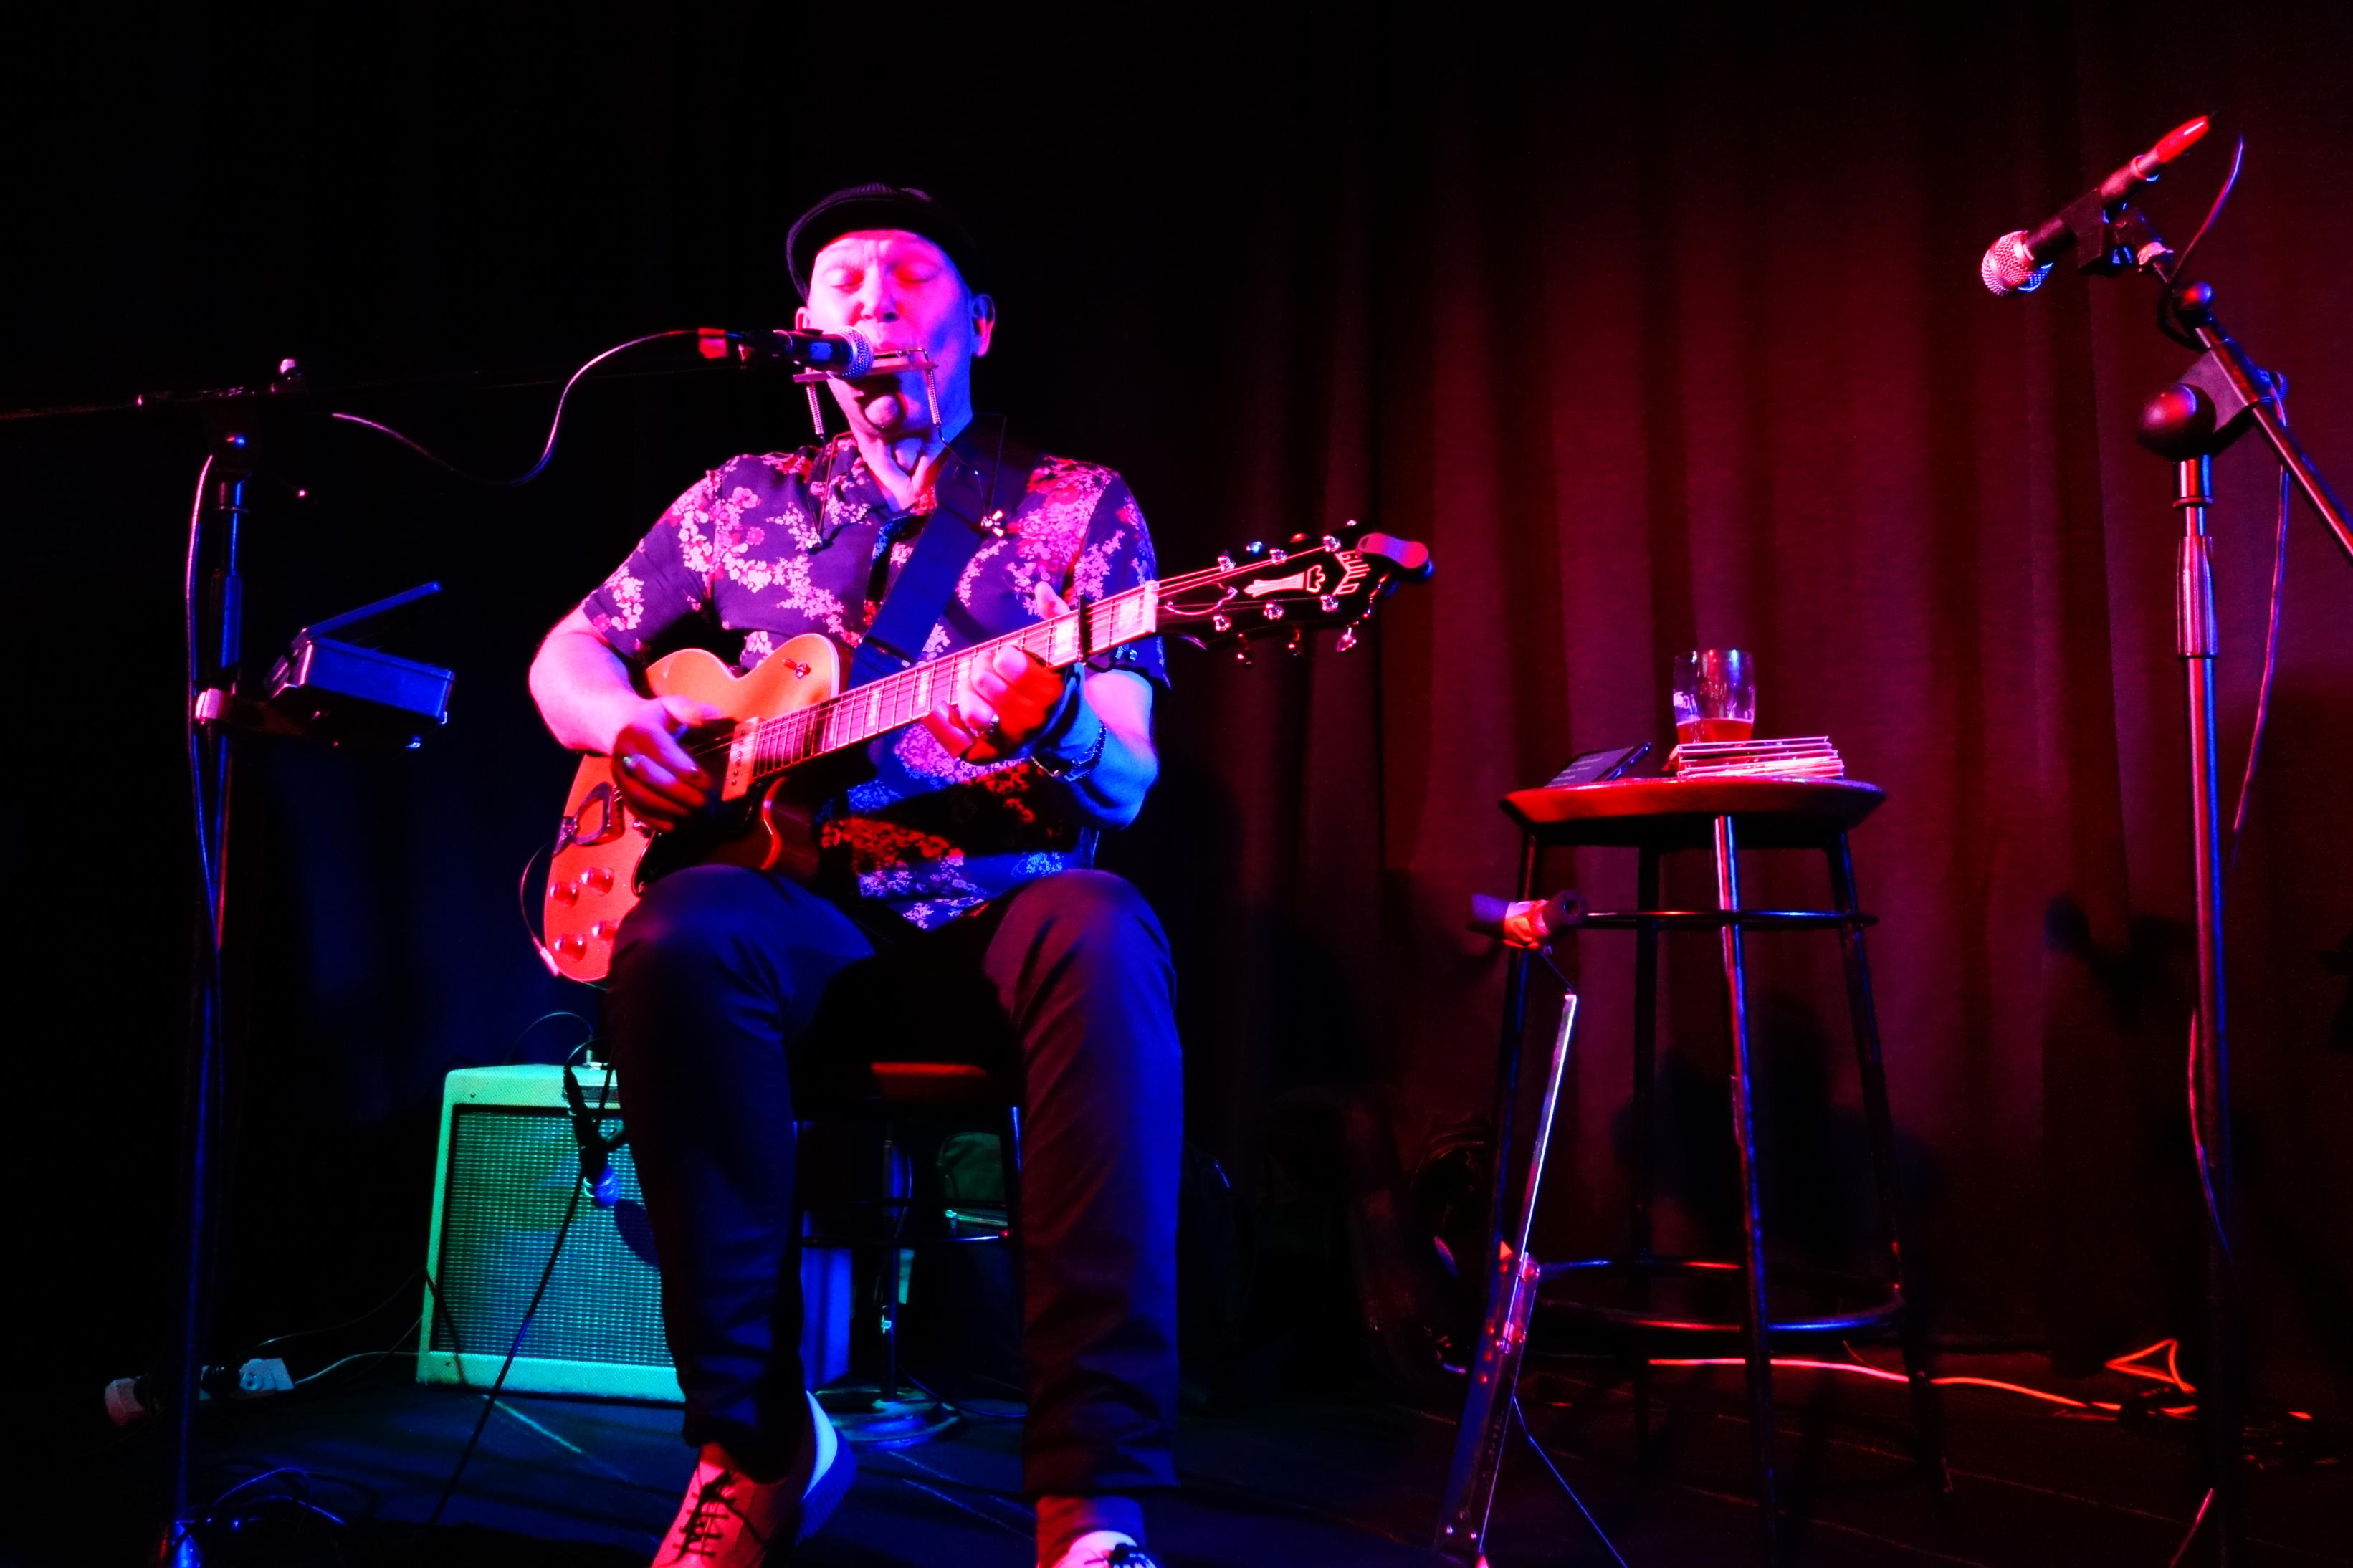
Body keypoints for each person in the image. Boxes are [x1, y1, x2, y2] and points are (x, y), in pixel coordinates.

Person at [528, 184, 1178, 1568]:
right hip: (799, 915)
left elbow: (1126, 778)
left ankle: (1092, 1498)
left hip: (998, 910)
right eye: (844, 281)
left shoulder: (1077, 507)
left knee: (1106, 927)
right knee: (678, 935)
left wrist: (1059, 720)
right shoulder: (741, 499)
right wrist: (623, 725)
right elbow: (564, 657)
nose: (874, 295)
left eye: (909, 275)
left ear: (980, 324)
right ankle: (756, 1444)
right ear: (804, 331)